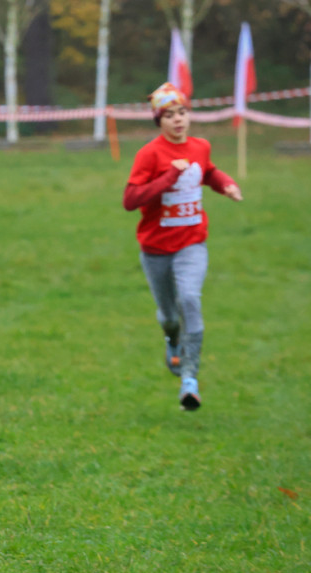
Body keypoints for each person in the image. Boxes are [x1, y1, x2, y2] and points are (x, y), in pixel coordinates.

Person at [123, 82, 242, 410]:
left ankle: (190, 379)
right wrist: (166, 180)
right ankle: (171, 340)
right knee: (169, 315)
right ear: (158, 121)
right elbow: (130, 200)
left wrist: (226, 185)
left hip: (192, 244)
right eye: (169, 115)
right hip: (155, 249)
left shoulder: (200, 146)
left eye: (183, 112)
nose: (178, 120)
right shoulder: (149, 154)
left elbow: (209, 171)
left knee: (190, 298)